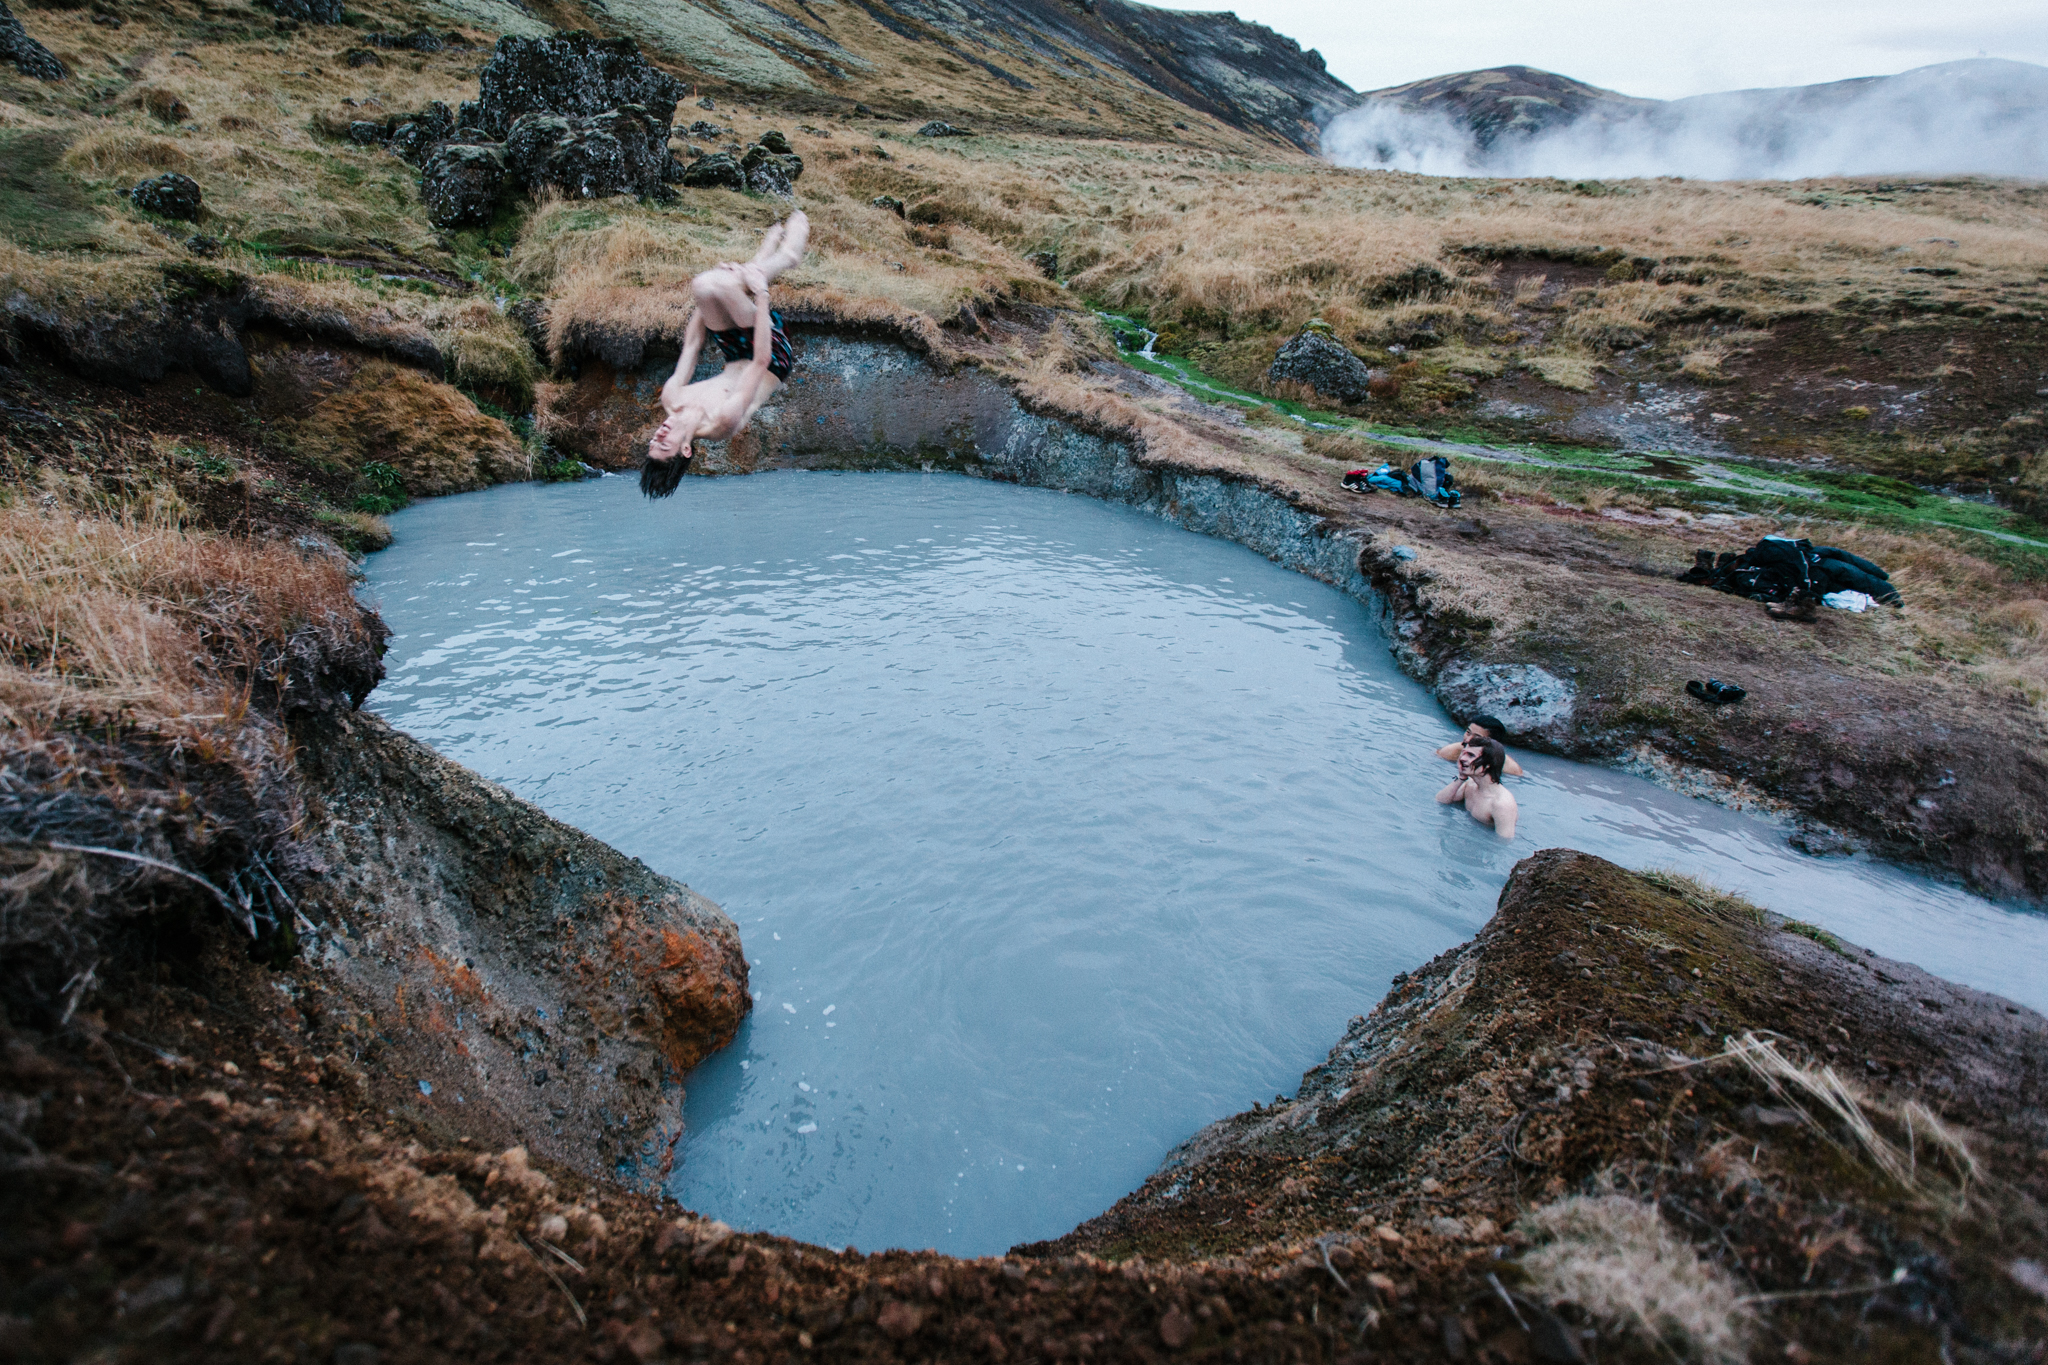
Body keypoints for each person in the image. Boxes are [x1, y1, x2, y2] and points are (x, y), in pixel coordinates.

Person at [641, 211, 810, 497]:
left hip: (734, 351)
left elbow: (693, 344)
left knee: (705, 285)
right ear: (685, 449)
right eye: (665, 444)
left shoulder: (672, 398)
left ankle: (756, 261)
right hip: (772, 355)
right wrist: (760, 293)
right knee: (725, 284)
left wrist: (705, 299)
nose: (658, 435)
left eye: (653, 443)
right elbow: (760, 361)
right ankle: (789, 248)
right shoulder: (722, 421)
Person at [1436, 738, 1518, 839]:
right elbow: (1440, 801)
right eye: (1463, 753)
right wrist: (1461, 778)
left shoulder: (1501, 804)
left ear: (1488, 765)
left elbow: (1504, 842)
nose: (1462, 758)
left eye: (1470, 755)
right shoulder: (1470, 785)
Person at [1434, 715, 1524, 777]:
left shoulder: (1509, 768)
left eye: (1477, 737)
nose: (1468, 739)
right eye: (1468, 733)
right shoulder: (1451, 752)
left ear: (1492, 743)